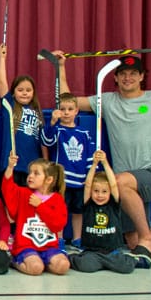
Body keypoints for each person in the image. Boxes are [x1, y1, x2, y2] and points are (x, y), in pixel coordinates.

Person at [57, 49, 151, 257]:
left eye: (133, 73)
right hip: (127, 184)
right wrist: (61, 67)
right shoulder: (108, 101)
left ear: (141, 76)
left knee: (121, 185)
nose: (127, 77)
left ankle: (147, 240)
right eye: (123, 73)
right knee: (131, 241)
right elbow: (70, 102)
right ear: (116, 77)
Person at [71, 150, 151, 273]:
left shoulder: (113, 204)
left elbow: (114, 184)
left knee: (125, 268)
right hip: (92, 252)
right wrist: (94, 165)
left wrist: (104, 162)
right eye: (96, 191)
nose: (99, 195)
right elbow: (88, 184)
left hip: (112, 252)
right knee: (86, 266)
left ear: (110, 192)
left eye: (104, 192)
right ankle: (70, 257)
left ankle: (136, 260)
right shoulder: (88, 204)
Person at [41, 92, 95, 250]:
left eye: (70, 109)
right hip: (62, 180)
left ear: (76, 111)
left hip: (80, 181)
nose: (66, 112)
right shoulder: (57, 130)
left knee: (78, 211)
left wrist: (90, 176)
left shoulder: (84, 134)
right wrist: (51, 122)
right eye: (62, 109)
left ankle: (77, 238)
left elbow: (90, 157)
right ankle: (59, 238)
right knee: (60, 210)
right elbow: (46, 141)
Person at [2, 154, 70, 276]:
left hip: (49, 246)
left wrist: (40, 206)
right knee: (36, 268)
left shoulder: (57, 199)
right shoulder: (24, 194)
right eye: (30, 173)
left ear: (49, 180)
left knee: (63, 266)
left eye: (36, 173)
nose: (30, 176)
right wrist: (10, 167)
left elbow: (58, 224)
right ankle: (15, 260)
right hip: (26, 246)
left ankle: (46, 262)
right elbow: (8, 189)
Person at [0, 44, 47, 186]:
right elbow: (1, 82)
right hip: (13, 166)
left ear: (33, 93)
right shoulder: (9, 106)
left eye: (28, 90)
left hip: (32, 169)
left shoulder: (37, 111)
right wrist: (2, 58)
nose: (24, 93)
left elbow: (43, 142)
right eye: (20, 90)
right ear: (13, 92)